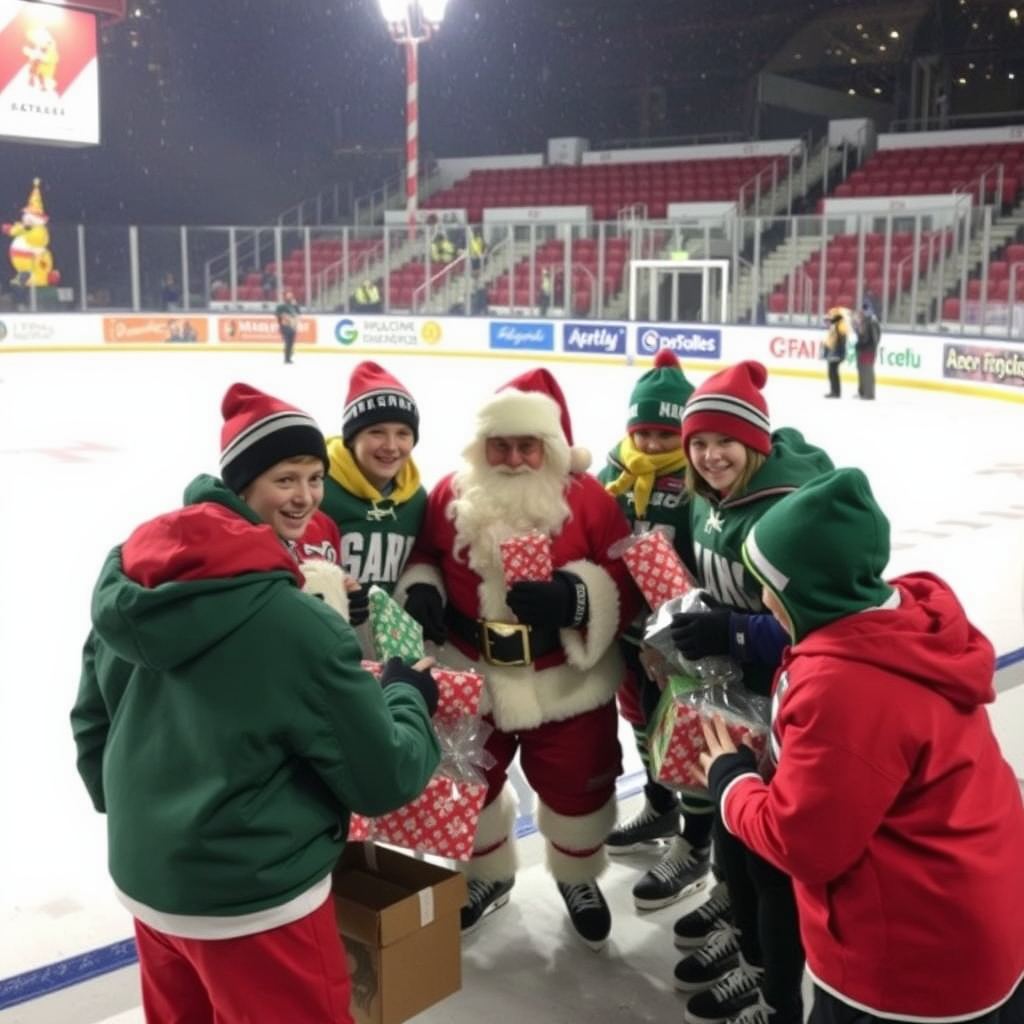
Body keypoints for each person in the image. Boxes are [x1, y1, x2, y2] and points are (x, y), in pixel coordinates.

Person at [70, 382, 441, 1024]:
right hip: (253, 900)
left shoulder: (140, 576)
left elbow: (91, 722)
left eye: (315, 477)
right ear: (241, 486)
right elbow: (383, 777)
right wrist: (409, 695)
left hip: (150, 879)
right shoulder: (298, 627)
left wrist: (143, 814)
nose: (304, 497)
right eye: (284, 479)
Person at [698, 466, 1024, 1024]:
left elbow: (803, 845)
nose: (762, 601)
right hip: (985, 924)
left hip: (910, 971)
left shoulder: (844, 689)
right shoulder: (909, 631)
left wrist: (731, 784)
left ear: (806, 590)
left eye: (770, 588)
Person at [396, 367, 640, 950]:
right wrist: (422, 586)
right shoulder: (451, 493)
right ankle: (489, 874)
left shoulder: (591, 500)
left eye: (525, 445)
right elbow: (425, 552)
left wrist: (576, 598)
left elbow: (626, 577)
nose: (510, 458)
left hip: (564, 679)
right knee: (467, 781)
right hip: (470, 673)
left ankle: (578, 876)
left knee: (579, 784)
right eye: (498, 445)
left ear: (550, 447)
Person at [668, 360, 833, 1024]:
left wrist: (732, 631)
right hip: (737, 701)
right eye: (698, 444)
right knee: (734, 839)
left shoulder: (790, 509)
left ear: (756, 444)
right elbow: (720, 591)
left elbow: (814, 624)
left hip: (790, 705)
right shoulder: (709, 500)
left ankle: (775, 994)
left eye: (724, 443)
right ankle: (746, 937)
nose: (709, 456)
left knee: (768, 859)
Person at [599, 349, 712, 912]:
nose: (648, 446)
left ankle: (694, 845)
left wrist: (667, 641)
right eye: (641, 433)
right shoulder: (612, 475)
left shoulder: (699, 485)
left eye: (664, 436)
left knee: (687, 733)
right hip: (628, 638)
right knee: (643, 723)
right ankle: (659, 804)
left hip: (679, 647)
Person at [320, 360, 426, 619]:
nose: (391, 446)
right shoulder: (317, 489)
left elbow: (425, 558)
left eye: (403, 433)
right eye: (376, 432)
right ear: (352, 438)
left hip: (388, 644)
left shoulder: (417, 499)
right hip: (329, 636)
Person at [822, 306, 855, 399]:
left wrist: (839, 352)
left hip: (837, 352)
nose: (830, 317)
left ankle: (835, 392)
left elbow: (841, 339)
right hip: (834, 351)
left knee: (833, 372)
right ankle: (834, 391)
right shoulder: (837, 324)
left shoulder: (841, 325)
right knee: (832, 372)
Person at [855, 302, 881, 400]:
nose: (864, 311)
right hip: (864, 348)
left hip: (868, 349)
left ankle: (869, 394)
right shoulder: (866, 320)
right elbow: (862, 335)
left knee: (868, 371)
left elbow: (874, 338)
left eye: (865, 308)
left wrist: (870, 346)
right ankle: (864, 392)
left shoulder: (872, 321)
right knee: (863, 371)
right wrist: (858, 329)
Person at [276, 288, 301, 364]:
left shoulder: (294, 305)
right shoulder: (281, 306)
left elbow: (298, 313)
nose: (290, 297)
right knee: (288, 341)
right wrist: (285, 318)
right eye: (288, 295)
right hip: (285, 326)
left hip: (293, 325)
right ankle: (287, 357)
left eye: (291, 295)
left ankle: (288, 356)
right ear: (285, 297)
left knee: (291, 342)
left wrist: (296, 305)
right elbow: (278, 314)